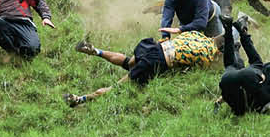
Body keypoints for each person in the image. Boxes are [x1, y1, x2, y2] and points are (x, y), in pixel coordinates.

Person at [65, 28, 218, 107]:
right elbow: (189, 74)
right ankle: (79, 99)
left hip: (154, 46)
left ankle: (96, 51)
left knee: (127, 62)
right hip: (159, 61)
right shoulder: (208, 55)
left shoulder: (197, 34)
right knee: (118, 86)